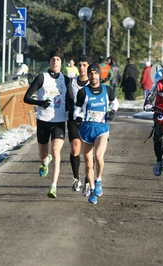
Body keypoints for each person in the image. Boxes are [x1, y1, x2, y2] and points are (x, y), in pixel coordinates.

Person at [23, 47, 71, 198]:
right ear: (49, 61)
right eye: (53, 59)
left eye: (58, 60)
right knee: (43, 155)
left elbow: (71, 99)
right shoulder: (41, 78)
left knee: (56, 151)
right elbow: (26, 97)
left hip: (58, 122)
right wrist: (40, 102)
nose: (55, 62)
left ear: (61, 63)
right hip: (43, 121)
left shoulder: (66, 80)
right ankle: (45, 161)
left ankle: (53, 186)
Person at [74, 63, 120, 204]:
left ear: (100, 74)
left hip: (101, 129)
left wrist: (112, 112)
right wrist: (78, 117)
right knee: (88, 165)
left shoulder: (107, 90)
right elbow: (77, 109)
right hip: (86, 129)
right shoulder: (83, 92)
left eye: (95, 73)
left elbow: (115, 103)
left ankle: (98, 180)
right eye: (91, 73)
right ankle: (93, 190)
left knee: (98, 156)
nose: (93, 76)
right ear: (88, 75)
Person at [66, 55, 92, 196]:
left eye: (84, 65)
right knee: (75, 148)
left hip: (90, 121)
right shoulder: (71, 83)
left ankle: (89, 181)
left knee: (88, 153)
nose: (82, 68)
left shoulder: (93, 84)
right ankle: (76, 178)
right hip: (73, 120)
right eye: (80, 65)